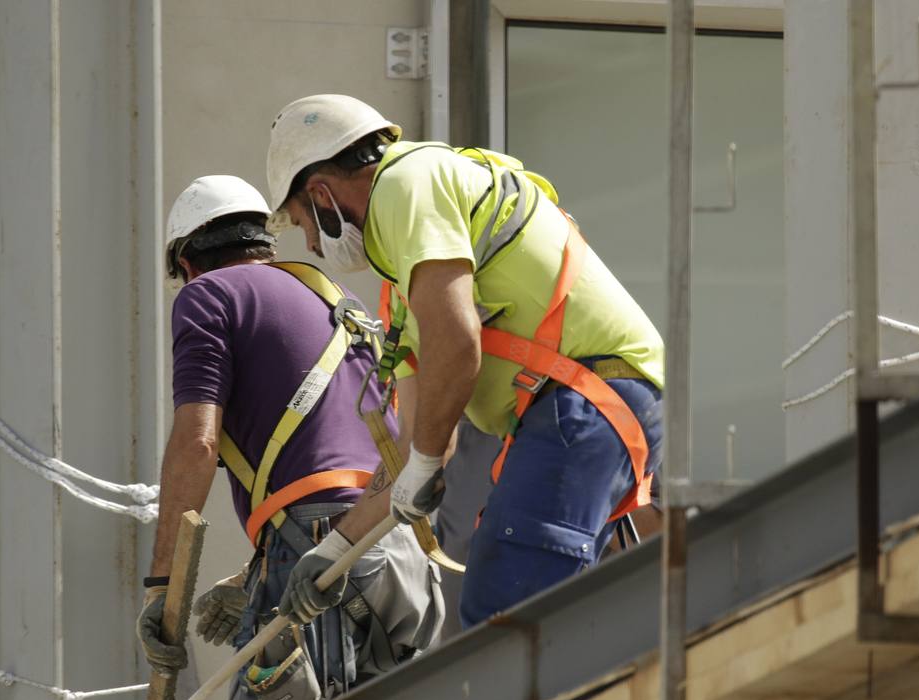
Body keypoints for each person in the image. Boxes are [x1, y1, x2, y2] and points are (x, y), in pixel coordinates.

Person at [266, 95, 665, 627]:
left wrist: (423, 466)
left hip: (588, 402)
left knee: (506, 609)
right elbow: (419, 446)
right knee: (520, 605)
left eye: (303, 224)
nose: (314, 244)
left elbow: (457, 346)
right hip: (585, 408)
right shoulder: (409, 275)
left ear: (321, 193)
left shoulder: (407, 186)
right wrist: (338, 547)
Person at [136, 175, 443, 700]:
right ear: (265, 243)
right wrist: (255, 578)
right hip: (397, 540)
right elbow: (343, 454)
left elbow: (197, 442)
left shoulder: (209, 295)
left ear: (186, 261)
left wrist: (163, 586)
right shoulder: (335, 300)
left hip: (320, 544)